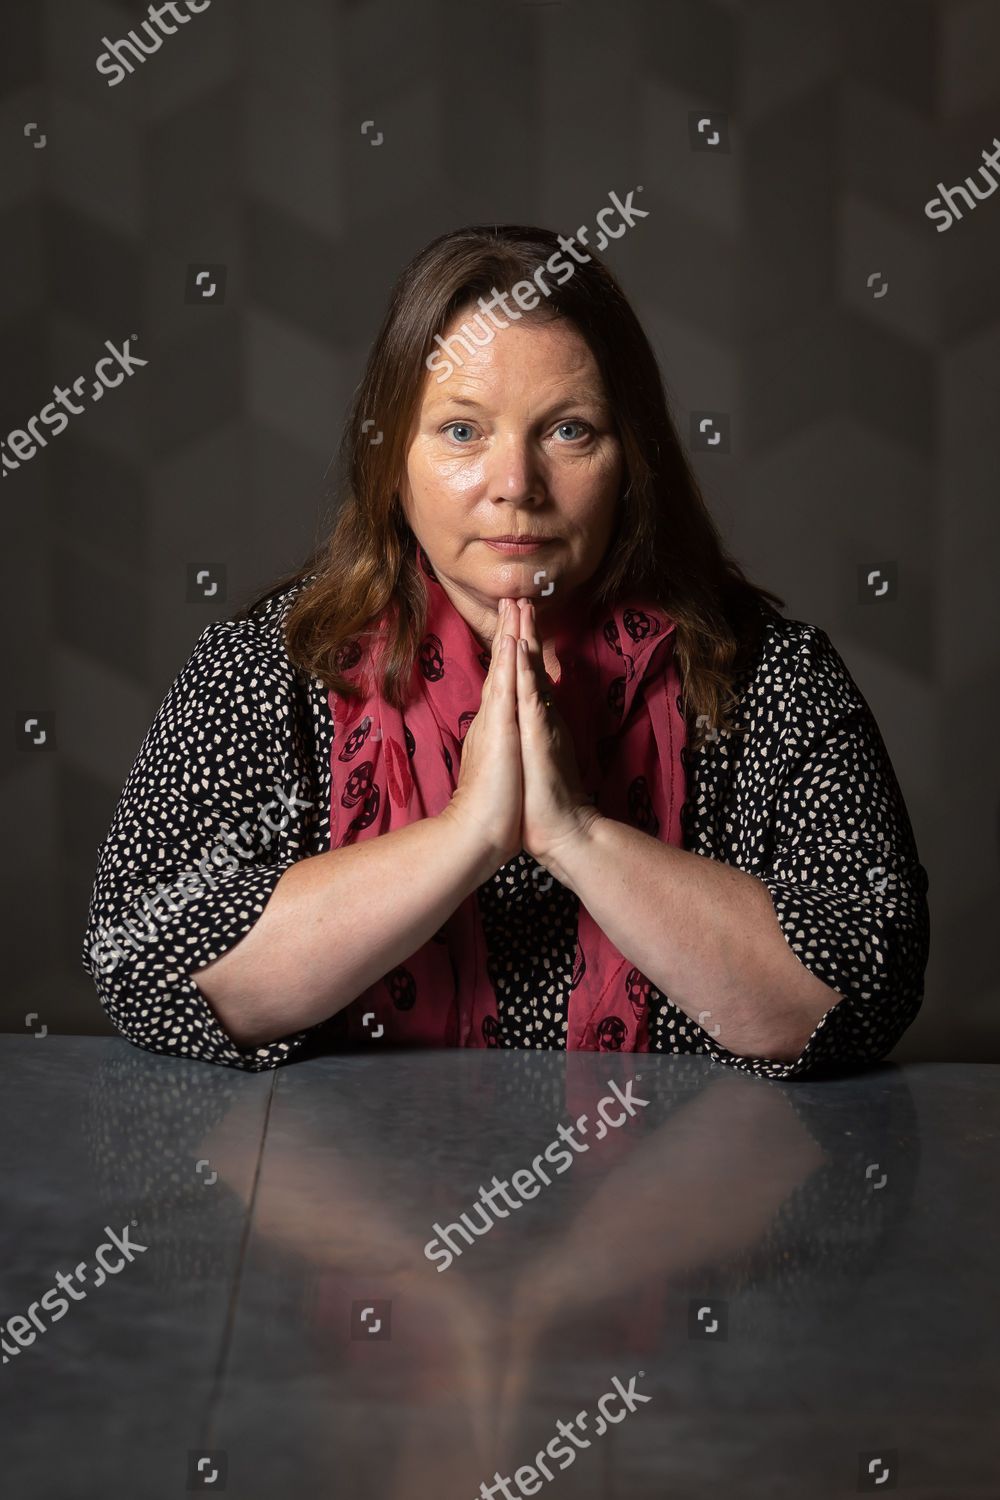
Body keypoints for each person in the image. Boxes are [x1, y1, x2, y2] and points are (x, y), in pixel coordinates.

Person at [82, 224, 930, 1079]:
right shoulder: (269, 668)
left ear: (631, 459)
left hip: (681, 1206)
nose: (515, 483)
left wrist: (578, 835)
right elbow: (141, 957)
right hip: (346, 1205)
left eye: (569, 431)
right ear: (393, 463)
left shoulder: (772, 677)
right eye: (460, 431)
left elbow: (865, 986)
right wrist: (466, 838)